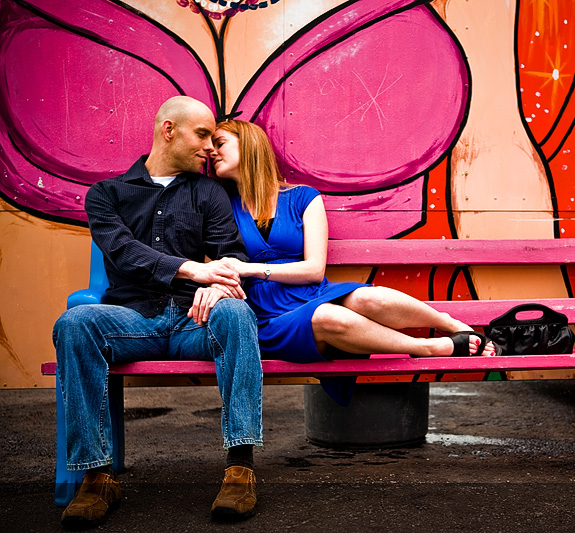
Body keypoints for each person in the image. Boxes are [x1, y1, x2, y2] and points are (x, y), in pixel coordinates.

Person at [52, 97, 264, 528]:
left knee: (238, 314)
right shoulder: (107, 194)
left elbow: (229, 256)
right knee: (74, 322)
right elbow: (125, 252)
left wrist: (221, 289)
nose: (210, 147)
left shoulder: (209, 192)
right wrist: (197, 272)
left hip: (194, 321)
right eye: (201, 135)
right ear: (169, 130)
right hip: (131, 321)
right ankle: (97, 477)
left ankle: (240, 469)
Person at [209, 120, 497, 379]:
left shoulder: (302, 197)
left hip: (311, 291)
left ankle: (455, 326)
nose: (212, 151)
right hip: (264, 314)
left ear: (248, 144)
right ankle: (428, 348)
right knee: (326, 317)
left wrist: (250, 268)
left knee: (369, 298)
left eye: (220, 143)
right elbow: (216, 269)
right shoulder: (221, 207)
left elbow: (313, 270)